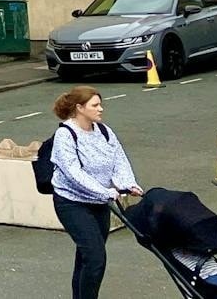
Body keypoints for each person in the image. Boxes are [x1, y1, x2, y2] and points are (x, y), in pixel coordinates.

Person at [50, 86, 142, 299]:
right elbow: (73, 173)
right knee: (95, 258)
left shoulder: (104, 131)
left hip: (99, 202)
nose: (101, 109)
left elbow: (118, 159)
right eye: (95, 105)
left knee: (86, 256)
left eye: (100, 104)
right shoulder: (65, 135)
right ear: (79, 108)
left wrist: (128, 183)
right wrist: (105, 191)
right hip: (71, 203)